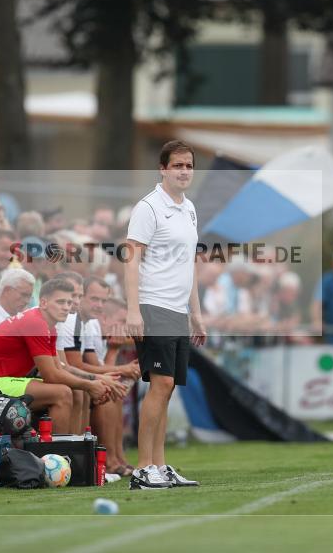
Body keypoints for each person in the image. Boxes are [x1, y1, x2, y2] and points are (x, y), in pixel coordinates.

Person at [125, 140, 205, 489]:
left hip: (177, 310)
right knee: (161, 385)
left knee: (168, 388)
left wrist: (196, 313)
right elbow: (132, 259)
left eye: (188, 165)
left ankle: (160, 464)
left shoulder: (189, 209)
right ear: (163, 168)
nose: (184, 171)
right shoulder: (148, 207)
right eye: (177, 165)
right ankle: (143, 469)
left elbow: (188, 265)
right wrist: (132, 310)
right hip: (153, 304)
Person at [0, 278, 112, 433]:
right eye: (60, 302)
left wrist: (92, 383)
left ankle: (75, 448)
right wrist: (90, 385)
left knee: (75, 390)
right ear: (43, 303)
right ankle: (56, 454)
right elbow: (51, 375)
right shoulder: (35, 323)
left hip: (0, 381)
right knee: (62, 393)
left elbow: (59, 369)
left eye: (69, 303)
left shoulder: (49, 327)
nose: (66, 307)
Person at [60, 275, 139, 475]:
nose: (99, 305)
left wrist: (115, 367)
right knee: (100, 390)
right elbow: (75, 364)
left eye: (103, 301)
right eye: (94, 299)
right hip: (60, 377)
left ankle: (115, 458)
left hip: (68, 373)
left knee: (110, 390)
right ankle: (99, 461)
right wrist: (121, 370)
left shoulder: (86, 323)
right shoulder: (74, 322)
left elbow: (94, 365)